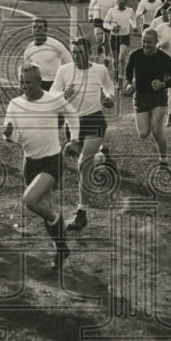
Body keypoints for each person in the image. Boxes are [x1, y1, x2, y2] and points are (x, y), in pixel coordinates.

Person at [3, 64, 80, 270]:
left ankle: (59, 226)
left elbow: (73, 116)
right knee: (44, 207)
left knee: (30, 200)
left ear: (39, 81)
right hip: (30, 162)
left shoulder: (53, 99)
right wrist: (8, 134)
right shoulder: (15, 104)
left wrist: (74, 139)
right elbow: (14, 137)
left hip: (52, 161)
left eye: (28, 82)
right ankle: (61, 248)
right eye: (21, 82)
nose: (24, 86)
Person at [51, 37, 117, 233]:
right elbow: (52, 93)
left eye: (81, 52)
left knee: (83, 164)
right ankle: (103, 157)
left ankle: (82, 213)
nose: (77, 56)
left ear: (88, 52)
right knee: (82, 159)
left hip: (95, 119)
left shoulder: (100, 70)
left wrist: (109, 97)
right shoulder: (64, 70)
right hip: (73, 123)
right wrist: (63, 95)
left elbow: (109, 86)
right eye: (74, 52)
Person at [123, 29, 171, 168]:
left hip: (158, 98)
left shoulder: (164, 58)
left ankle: (164, 159)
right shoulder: (135, 55)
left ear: (156, 42)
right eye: (144, 41)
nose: (146, 44)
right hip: (140, 98)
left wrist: (164, 84)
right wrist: (130, 82)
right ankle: (150, 119)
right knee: (143, 133)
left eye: (149, 42)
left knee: (156, 132)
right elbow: (128, 70)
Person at [22, 17, 72, 91]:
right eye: (34, 27)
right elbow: (26, 70)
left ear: (45, 30)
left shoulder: (56, 45)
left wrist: (66, 81)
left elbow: (70, 62)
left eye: (40, 27)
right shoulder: (29, 49)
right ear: (31, 30)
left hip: (55, 84)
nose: (37, 30)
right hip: (37, 85)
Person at [103, 0, 136, 87]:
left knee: (121, 59)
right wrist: (111, 28)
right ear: (117, 2)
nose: (121, 5)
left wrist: (134, 26)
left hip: (125, 37)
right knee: (115, 60)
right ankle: (116, 74)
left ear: (126, 3)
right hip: (114, 37)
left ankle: (121, 79)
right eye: (120, 3)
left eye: (123, 3)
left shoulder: (130, 10)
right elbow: (105, 23)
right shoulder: (112, 11)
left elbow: (132, 19)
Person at [88, 0, 118, 65]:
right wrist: (90, 15)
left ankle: (106, 57)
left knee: (107, 40)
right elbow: (91, 5)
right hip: (98, 19)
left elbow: (116, 9)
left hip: (108, 20)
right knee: (99, 38)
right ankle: (99, 47)